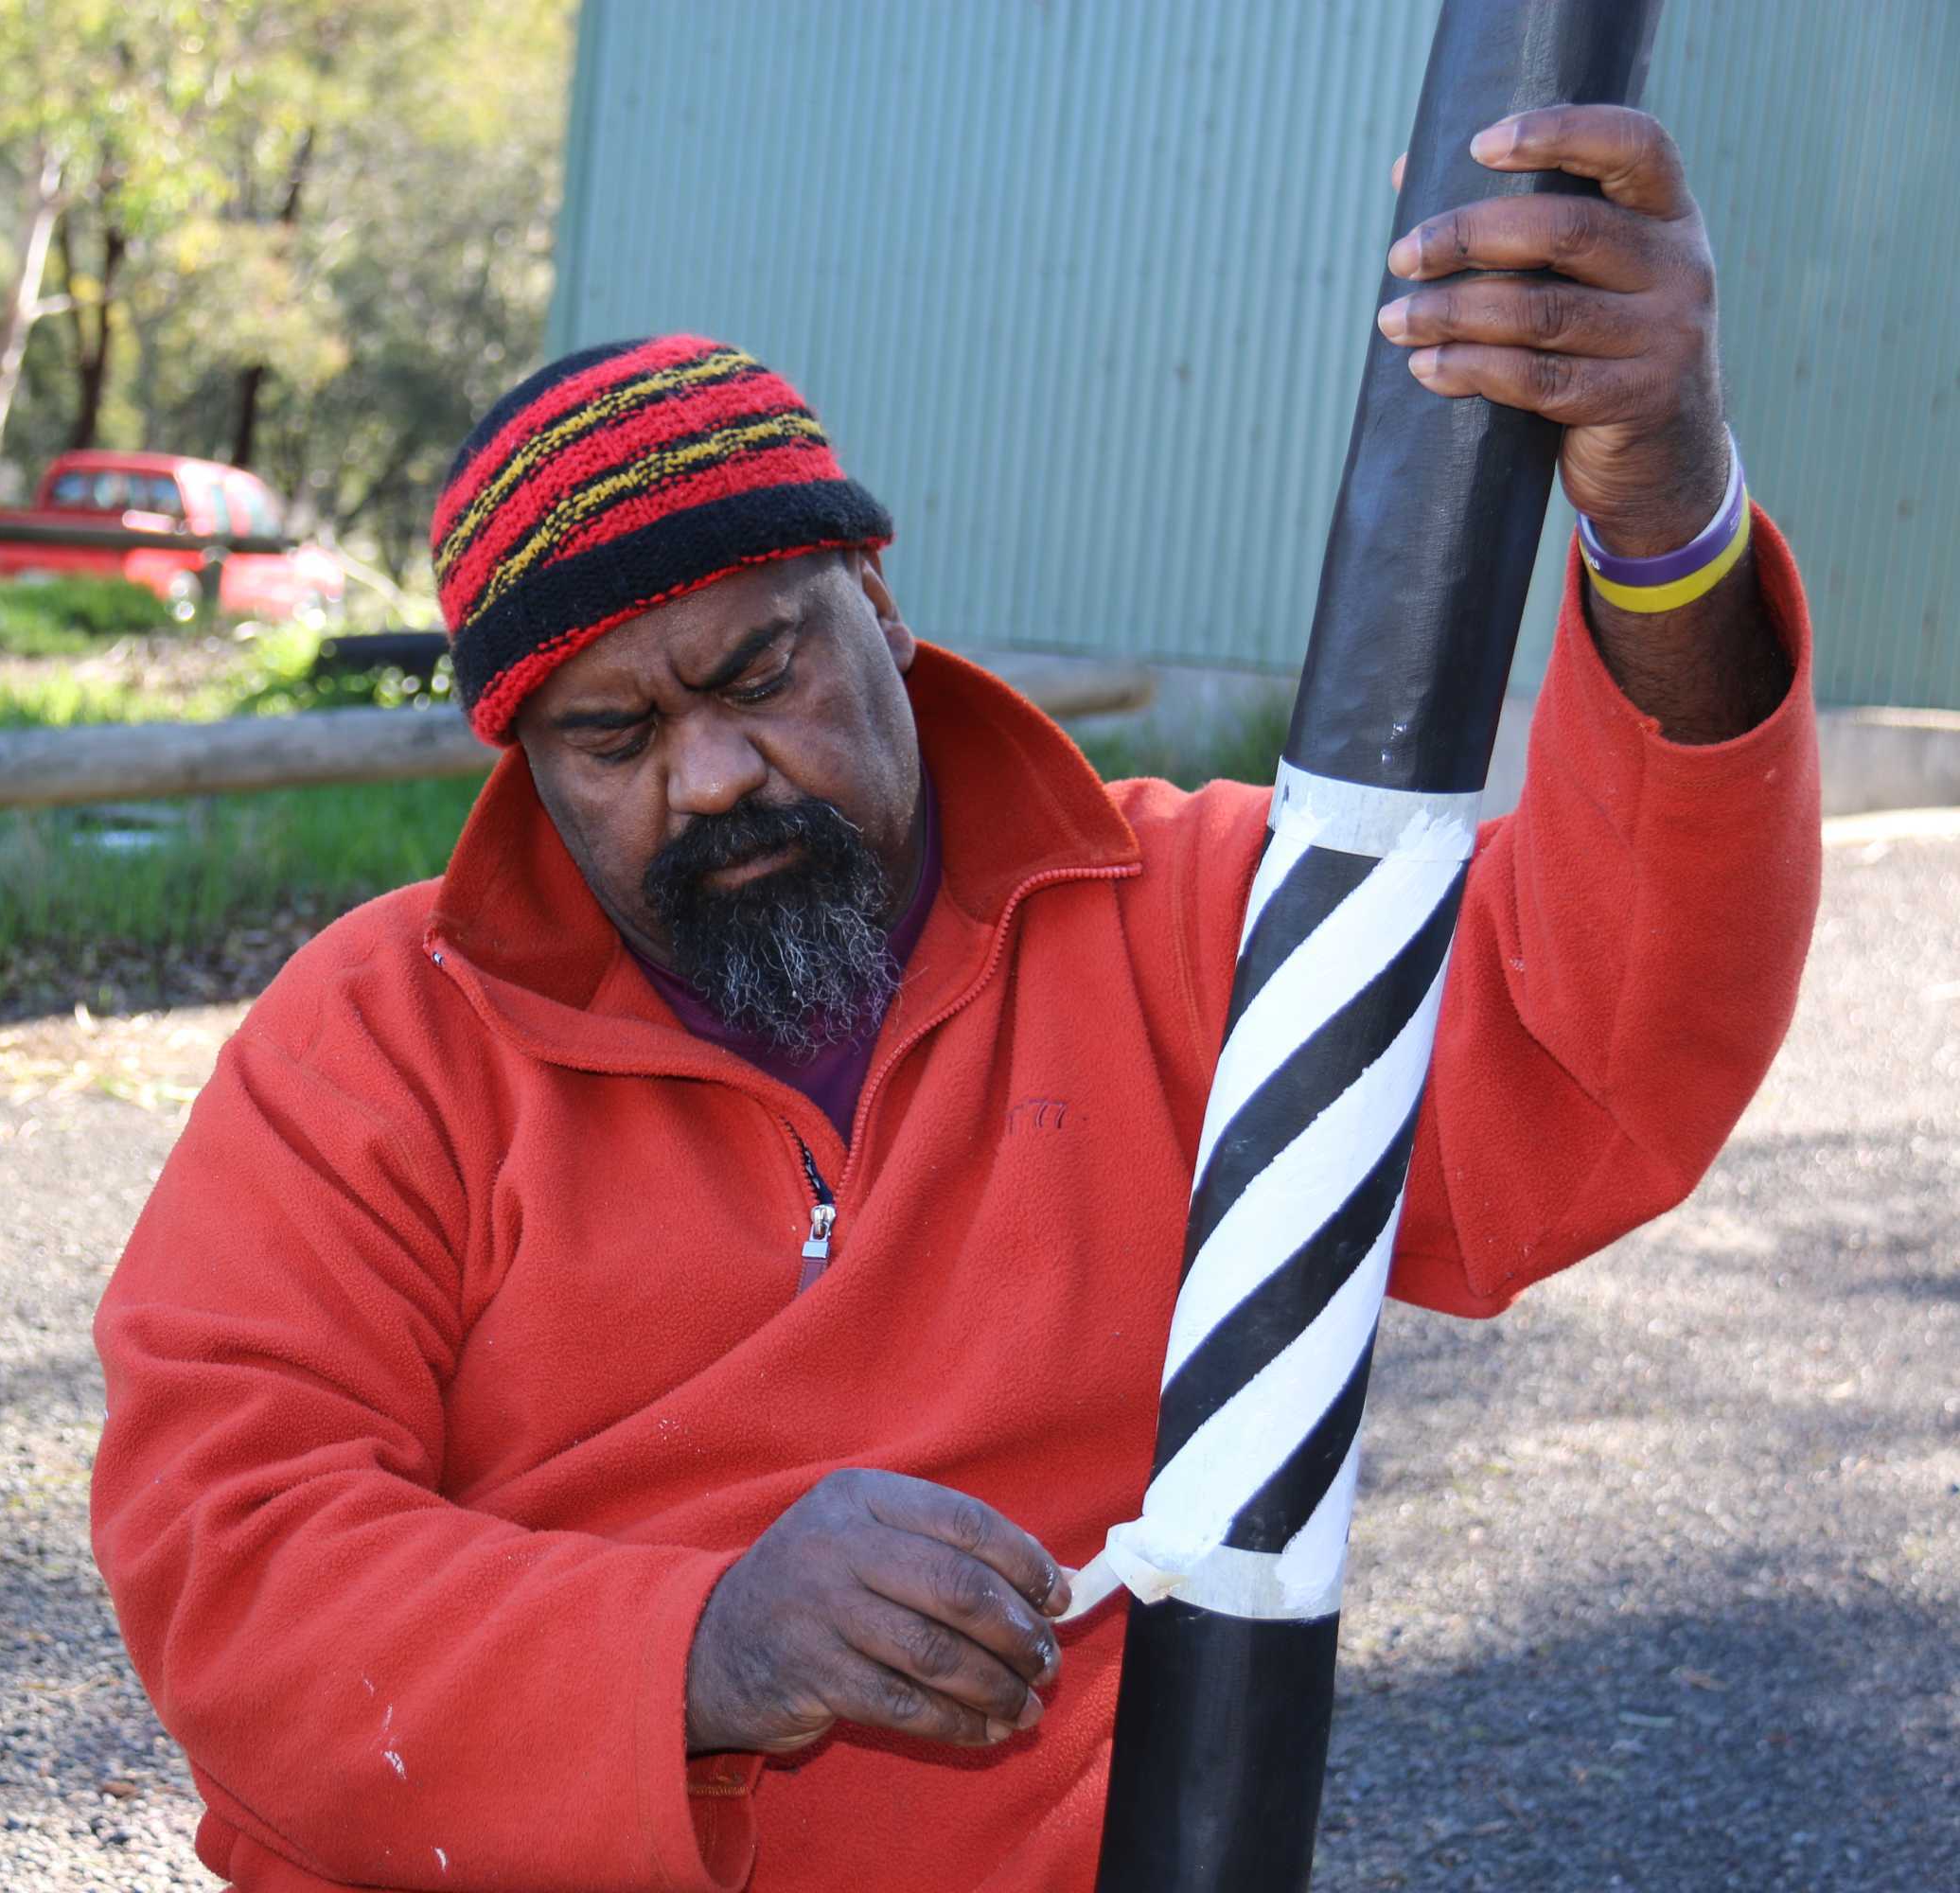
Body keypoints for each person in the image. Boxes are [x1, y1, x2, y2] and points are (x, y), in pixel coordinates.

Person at [89, 107, 1818, 1892]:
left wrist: (1667, 512)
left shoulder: (1197, 922)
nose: (708, 779)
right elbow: (232, 1557)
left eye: (760, 671)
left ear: (880, 605)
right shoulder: (377, 1039)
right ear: (520, 761)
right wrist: (703, 1649)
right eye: (609, 737)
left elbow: (1589, 1065)